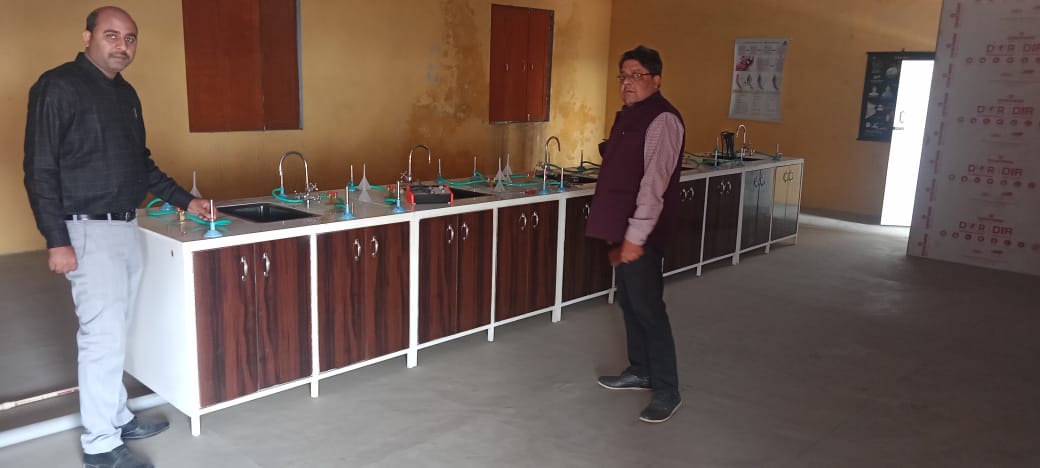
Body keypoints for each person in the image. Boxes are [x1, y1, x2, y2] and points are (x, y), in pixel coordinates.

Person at [23, 6, 212, 468]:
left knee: (113, 333)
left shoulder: (125, 93)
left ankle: (117, 416)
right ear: (87, 37)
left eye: (130, 38)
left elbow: (140, 163)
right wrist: (56, 239)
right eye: (111, 35)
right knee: (100, 338)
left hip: (125, 225)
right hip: (86, 229)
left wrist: (186, 200)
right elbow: (40, 168)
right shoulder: (58, 86)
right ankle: (100, 445)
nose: (122, 46)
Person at [586, 45, 685, 423]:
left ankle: (667, 389)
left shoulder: (662, 119)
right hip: (623, 230)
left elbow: (653, 184)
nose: (627, 83)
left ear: (656, 80)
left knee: (648, 309)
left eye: (636, 76)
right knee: (629, 303)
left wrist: (635, 237)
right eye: (623, 76)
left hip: (641, 234)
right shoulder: (629, 115)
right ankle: (641, 370)